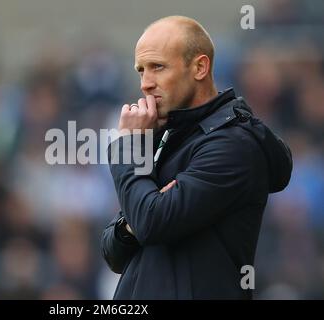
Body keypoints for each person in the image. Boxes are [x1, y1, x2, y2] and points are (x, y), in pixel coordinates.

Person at [101, 16, 292, 299]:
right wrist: (135, 219)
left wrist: (130, 148)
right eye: (141, 71)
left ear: (200, 67)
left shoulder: (234, 144)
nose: (145, 83)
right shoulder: (167, 137)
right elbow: (113, 252)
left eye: (158, 67)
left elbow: (152, 223)